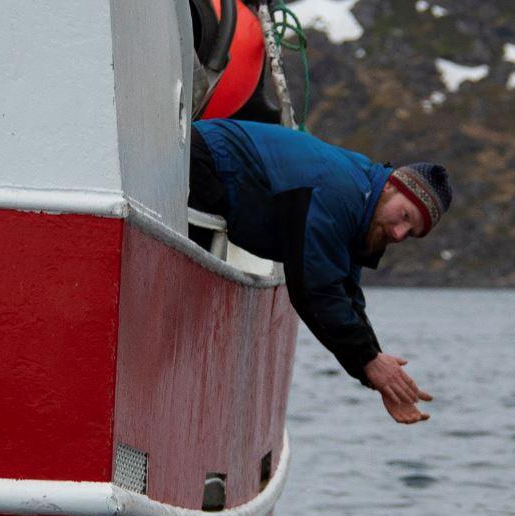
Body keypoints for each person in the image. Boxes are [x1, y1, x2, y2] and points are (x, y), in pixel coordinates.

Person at [187, 119, 452, 424]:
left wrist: (377, 368)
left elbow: (345, 294)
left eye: (411, 233)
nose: (398, 233)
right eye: (404, 216)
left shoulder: (363, 203)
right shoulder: (340, 191)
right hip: (203, 159)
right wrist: (368, 361)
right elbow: (314, 288)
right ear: (392, 185)